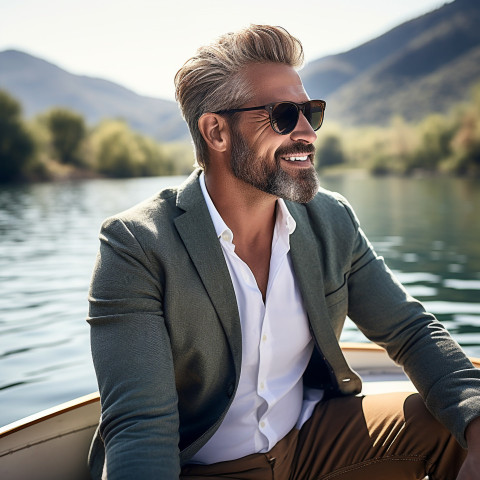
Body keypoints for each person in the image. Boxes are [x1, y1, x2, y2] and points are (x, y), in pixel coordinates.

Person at [87, 25, 480, 479]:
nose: (308, 132)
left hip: (311, 445)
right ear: (216, 132)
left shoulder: (330, 218)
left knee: (454, 423)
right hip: (201, 467)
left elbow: (410, 331)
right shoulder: (135, 246)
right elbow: (141, 427)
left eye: (312, 112)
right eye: (285, 115)